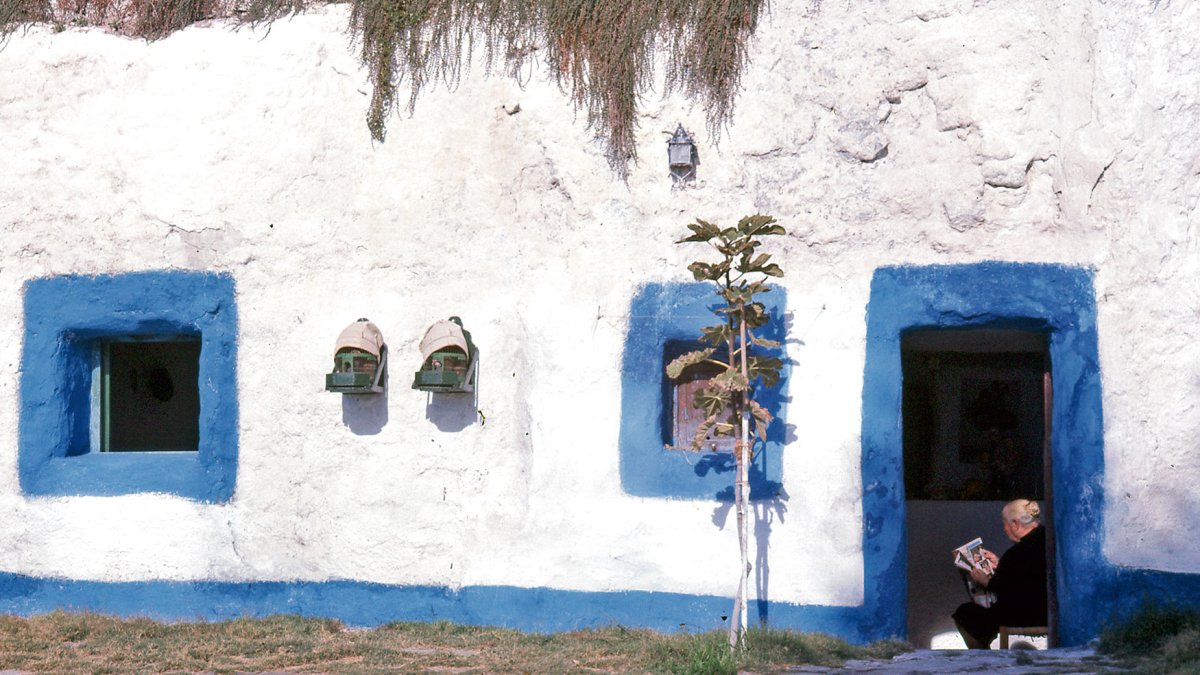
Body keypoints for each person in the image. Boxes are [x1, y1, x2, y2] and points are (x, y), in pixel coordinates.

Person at [952, 499, 1047, 649]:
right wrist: (999, 563)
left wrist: (986, 582)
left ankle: (982, 657)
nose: (1005, 529)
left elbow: (1007, 589)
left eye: (1005, 524)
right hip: (1047, 613)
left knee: (964, 613)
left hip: (1024, 616)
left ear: (1015, 523)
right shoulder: (1048, 540)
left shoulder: (1015, 553)